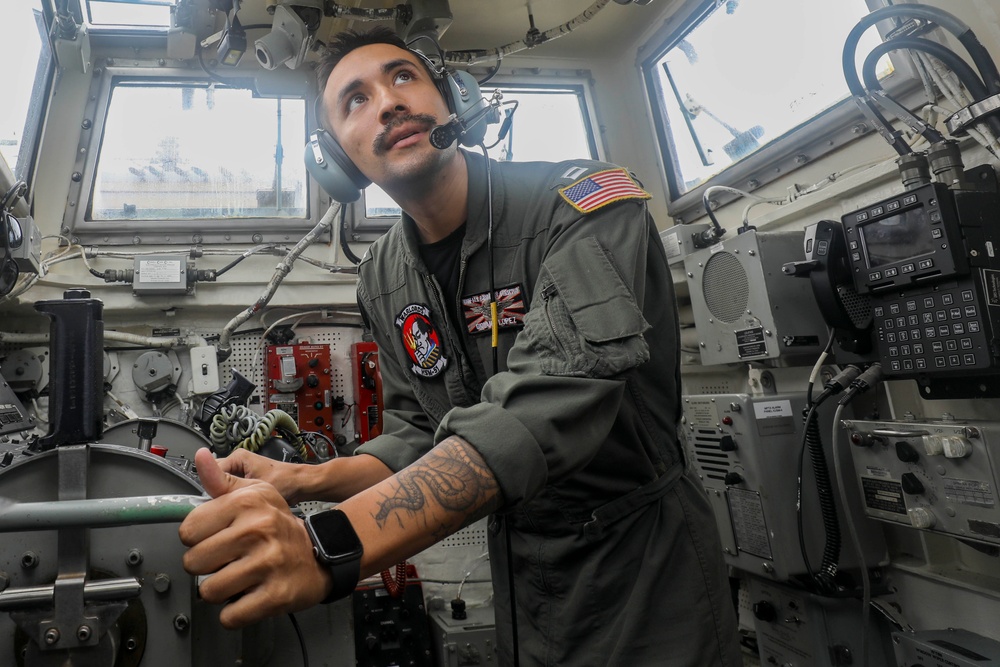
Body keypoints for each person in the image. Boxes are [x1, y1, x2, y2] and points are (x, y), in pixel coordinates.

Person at [179, 26, 741, 666]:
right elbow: (420, 430)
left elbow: (536, 412)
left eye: (402, 77)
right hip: (524, 575)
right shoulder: (383, 273)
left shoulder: (583, 206)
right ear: (336, 158)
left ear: (454, 102)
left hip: (646, 566)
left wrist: (327, 546)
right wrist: (306, 481)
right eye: (354, 101)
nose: (387, 103)